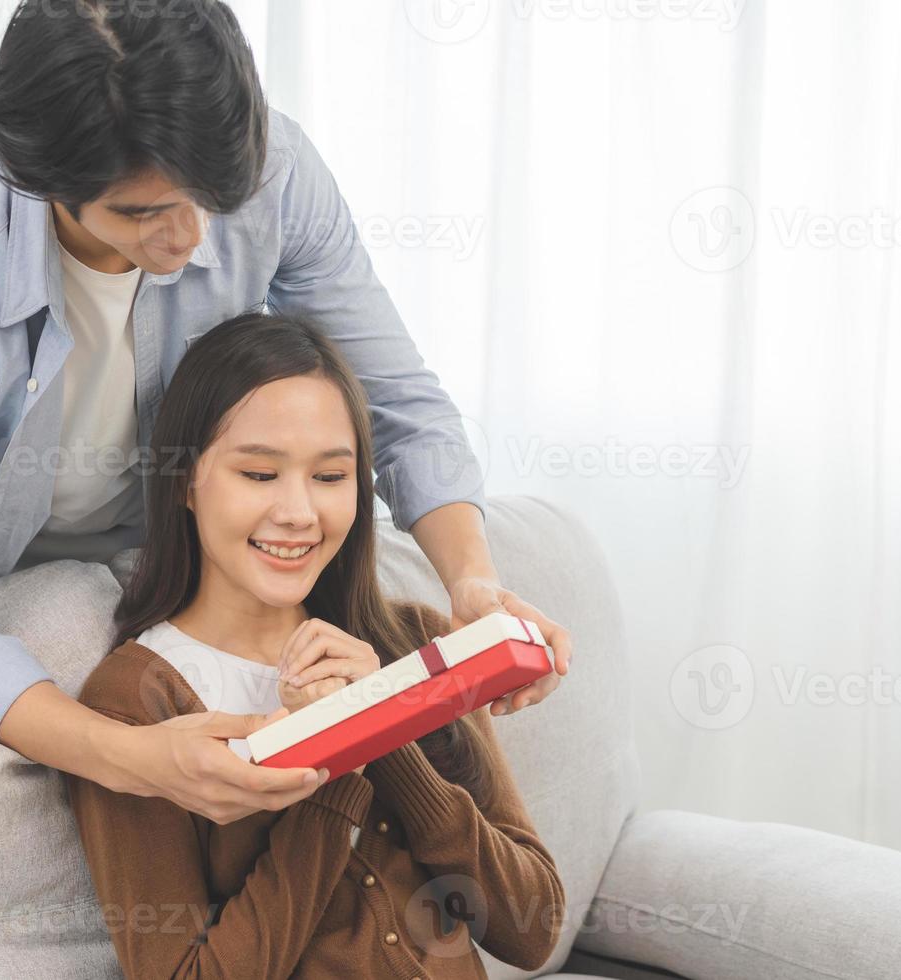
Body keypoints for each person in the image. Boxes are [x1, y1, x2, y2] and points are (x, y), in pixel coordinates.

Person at [0, 0, 572, 824]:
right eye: (142, 214)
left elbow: (395, 398)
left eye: (209, 197)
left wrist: (471, 578)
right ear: (40, 182)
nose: (188, 238)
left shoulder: (271, 167)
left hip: (152, 555)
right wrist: (133, 760)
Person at [65, 312, 566, 977]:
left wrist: (384, 726)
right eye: (260, 475)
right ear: (185, 479)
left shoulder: (415, 640)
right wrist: (336, 756)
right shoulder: (137, 702)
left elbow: (531, 928)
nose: (300, 513)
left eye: (330, 477)